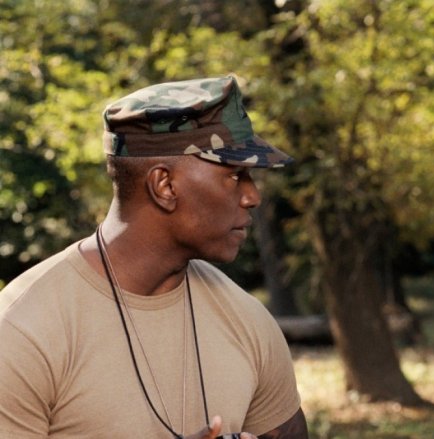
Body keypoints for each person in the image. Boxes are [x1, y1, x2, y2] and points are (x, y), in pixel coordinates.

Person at [0, 76, 309, 438]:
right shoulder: (22, 332)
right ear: (164, 186)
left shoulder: (248, 322)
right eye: (235, 175)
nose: (252, 196)